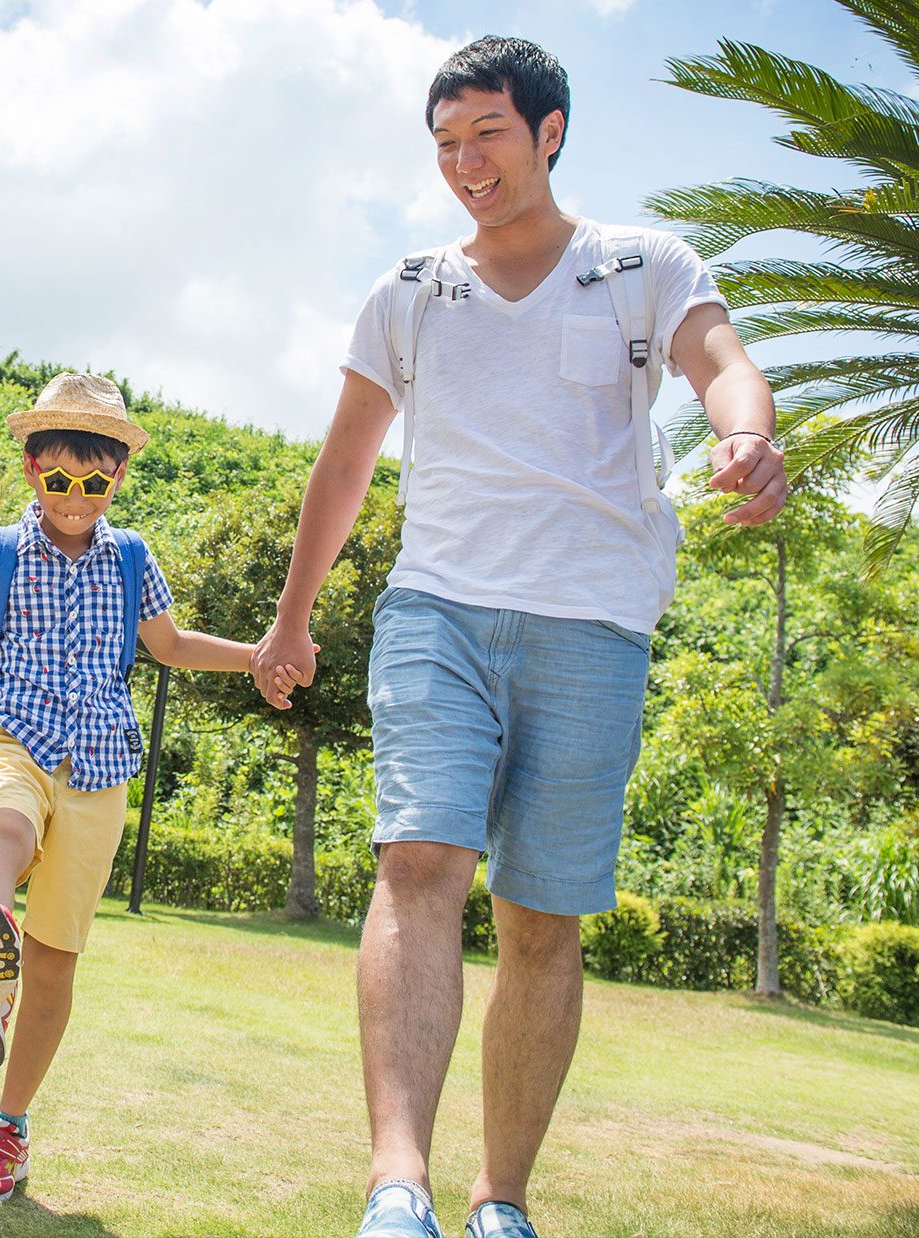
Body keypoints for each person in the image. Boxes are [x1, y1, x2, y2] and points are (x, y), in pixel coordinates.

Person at [250, 38, 787, 1238]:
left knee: (541, 914)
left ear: (548, 131)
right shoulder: (407, 289)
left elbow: (723, 366)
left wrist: (746, 436)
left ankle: (501, 1196)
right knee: (417, 862)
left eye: (486, 133)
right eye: (444, 143)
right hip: (436, 606)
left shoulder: (641, 265)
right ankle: (397, 1184)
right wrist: (289, 618)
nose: (463, 162)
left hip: (593, 622)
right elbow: (343, 464)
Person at [0, 372, 300, 1205]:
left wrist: (262, 653)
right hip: (8, 731)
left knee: (56, 959)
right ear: (31, 471)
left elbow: (168, 646)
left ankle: (4, 1130)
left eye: (92, 483)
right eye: (58, 480)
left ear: (117, 480)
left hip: (99, 763)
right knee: (1, 830)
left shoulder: (132, 556)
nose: (74, 497)